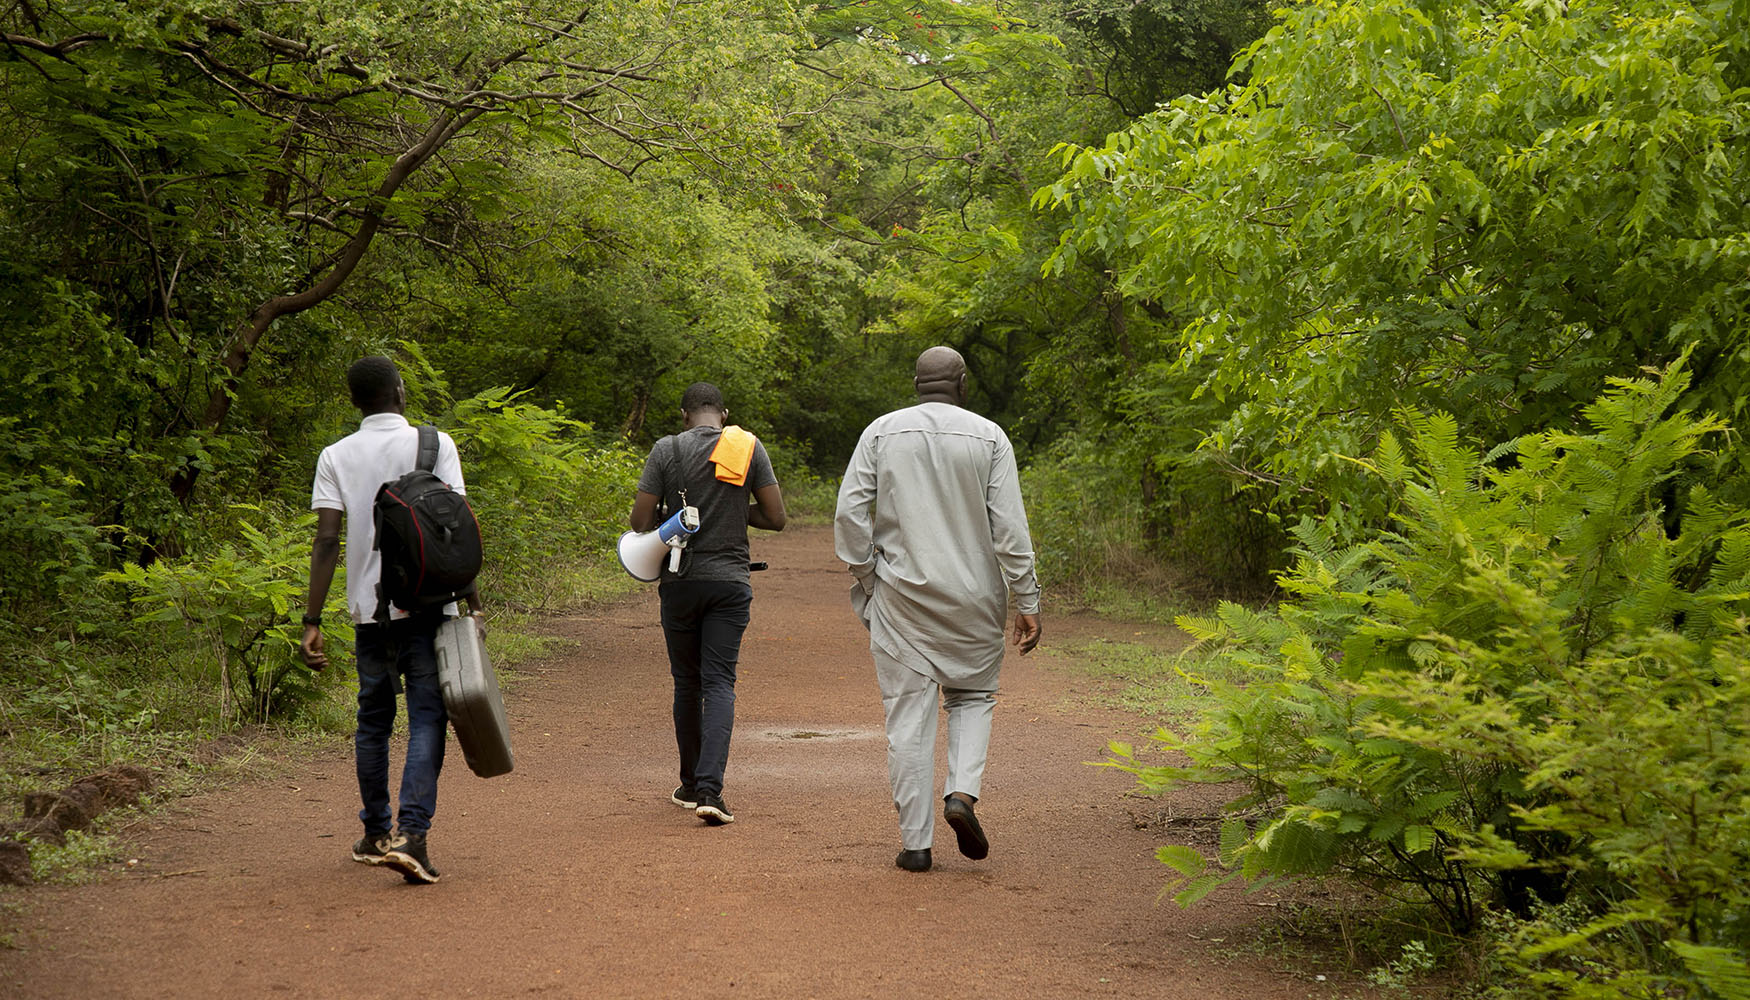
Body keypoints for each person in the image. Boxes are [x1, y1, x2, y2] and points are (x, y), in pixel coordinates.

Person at [833, 346, 1042, 873]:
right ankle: (962, 795)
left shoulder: (881, 432)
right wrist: (1028, 598)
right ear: (963, 383)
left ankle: (916, 845)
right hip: (975, 599)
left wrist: (867, 573)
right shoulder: (990, 436)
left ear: (917, 383)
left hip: (902, 599)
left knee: (908, 718)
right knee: (973, 697)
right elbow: (1010, 531)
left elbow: (850, 513)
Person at [300, 356, 483, 885]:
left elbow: (328, 540)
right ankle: (413, 835)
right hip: (428, 605)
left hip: (368, 612)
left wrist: (311, 618)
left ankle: (376, 832)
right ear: (400, 392)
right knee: (427, 716)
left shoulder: (334, 455)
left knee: (373, 721)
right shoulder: (435, 444)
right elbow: (456, 532)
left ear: (355, 402)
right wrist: (472, 605)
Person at [629, 382, 786, 826]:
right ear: (724, 412)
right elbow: (776, 518)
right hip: (731, 584)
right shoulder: (747, 446)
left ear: (684, 416)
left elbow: (639, 522)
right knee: (719, 683)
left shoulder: (666, 449)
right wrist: (736, 507)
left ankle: (690, 784)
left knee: (687, 683)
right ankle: (711, 791)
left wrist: (671, 512)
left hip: (679, 582)